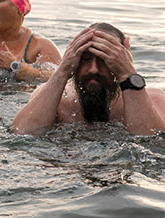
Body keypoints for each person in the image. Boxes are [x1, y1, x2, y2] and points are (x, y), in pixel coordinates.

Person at [12, 23, 165, 135]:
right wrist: (63, 71)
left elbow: (152, 143)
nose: (93, 69)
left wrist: (128, 74)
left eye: (104, 60)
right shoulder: (56, 101)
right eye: (85, 58)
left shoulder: (154, 99)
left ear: (124, 59)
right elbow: (22, 133)